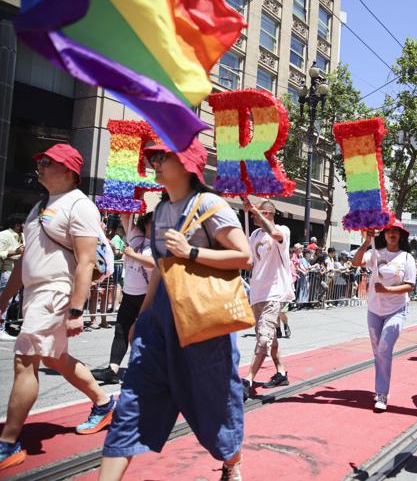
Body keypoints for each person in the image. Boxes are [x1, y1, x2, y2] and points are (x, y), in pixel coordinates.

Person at [99, 141, 250, 480]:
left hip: (204, 325)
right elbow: (162, 268)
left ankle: (231, 463)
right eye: (151, 156)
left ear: (186, 163)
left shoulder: (210, 204)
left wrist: (192, 253)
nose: (153, 162)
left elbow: (244, 257)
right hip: (159, 325)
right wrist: (143, 316)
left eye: (160, 156)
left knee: (218, 408)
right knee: (130, 406)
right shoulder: (162, 209)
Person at [0, 144, 116, 471]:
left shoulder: (80, 205)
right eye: (40, 160)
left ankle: (8, 443)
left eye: (48, 162)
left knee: (25, 360)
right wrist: (6, 297)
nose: (40, 165)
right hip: (36, 293)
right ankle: (105, 403)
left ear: (69, 172)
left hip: (55, 292)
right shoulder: (39, 206)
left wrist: (76, 309)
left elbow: (86, 261)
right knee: (55, 357)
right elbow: (26, 259)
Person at [352, 220, 416, 412]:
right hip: (374, 310)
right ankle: (381, 387)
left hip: (396, 310)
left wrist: (387, 289)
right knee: (377, 352)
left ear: (401, 235)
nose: (392, 234)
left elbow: (410, 286)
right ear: (384, 235)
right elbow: (356, 262)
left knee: (384, 348)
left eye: (396, 231)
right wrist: (366, 242)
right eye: (388, 231)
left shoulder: (406, 258)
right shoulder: (375, 252)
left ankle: (382, 393)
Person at [91, 213, 155, 385]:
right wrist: (133, 199)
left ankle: (144, 370)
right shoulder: (136, 235)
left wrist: (132, 254)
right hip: (129, 294)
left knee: (141, 335)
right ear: (145, 223)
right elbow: (126, 217)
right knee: (120, 330)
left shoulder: (161, 244)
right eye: (152, 222)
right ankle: (112, 369)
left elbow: (153, 263)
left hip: (147, 297)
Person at [243, 198, 294, 393]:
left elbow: (274, 233)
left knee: (264, 339)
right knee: (268, 336)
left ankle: (248, 380)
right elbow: (247, 260)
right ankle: (281, 372)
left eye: (257, 214)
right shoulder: (254, 234)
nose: (252, 216)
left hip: (274, 292)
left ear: (267, 214)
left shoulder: (283, 230)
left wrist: (257, 211)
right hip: (257, 294)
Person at [0, 215, 25, 341]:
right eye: (22, 224)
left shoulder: (23, 236)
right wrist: (16, 252)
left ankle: (8, 324)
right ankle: (1, 329)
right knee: (5, 300)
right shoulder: (4, 235)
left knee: (16, 301)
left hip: (20, 272)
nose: (25, 226)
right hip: (8, 271)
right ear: (16, 224)